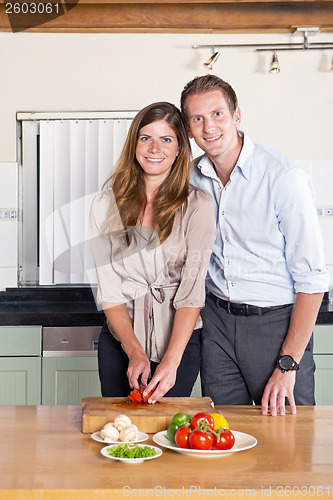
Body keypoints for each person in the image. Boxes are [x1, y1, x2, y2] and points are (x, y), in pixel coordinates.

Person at [180, 75, 329, 416]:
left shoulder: (283, 177)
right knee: (224, 435)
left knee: (290, 444)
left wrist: (288, 364)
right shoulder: (189, 178)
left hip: (276, 326)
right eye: (198, 119)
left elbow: (313, 280)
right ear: (189, 129)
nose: (209, 126)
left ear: (237, 116)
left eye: (217, 114)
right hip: (216, 322)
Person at [89, 101, 216, 403]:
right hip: (121, 343)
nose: (154, 148)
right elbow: (110, 291)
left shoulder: (198, 205)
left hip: (179, 344)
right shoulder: (104, 205)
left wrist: (172, 361)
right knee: (120, 433)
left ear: (179, 150)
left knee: (168, 435)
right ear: (134, 144)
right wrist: (134, 351)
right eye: (146, 138)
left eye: (166, 139)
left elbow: (191, 292)